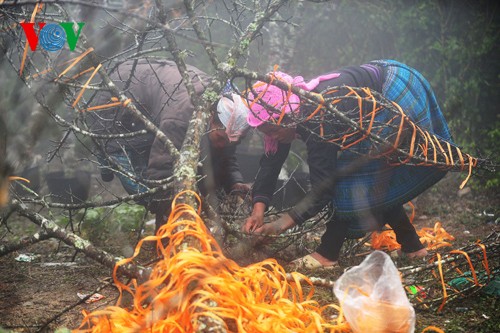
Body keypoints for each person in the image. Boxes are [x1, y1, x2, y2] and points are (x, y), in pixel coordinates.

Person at [242, 60, 457, 268]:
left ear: (287, 117)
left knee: (354, 175)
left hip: (395, 90)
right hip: (380, 83)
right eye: (266, 133)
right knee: (371, 177)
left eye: (273, 131)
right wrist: (258, 210)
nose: (272, 137)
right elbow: (272, 162)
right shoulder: (289, 113)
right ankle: (413, 247)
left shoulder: (320, 118)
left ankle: (328, 253)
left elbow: (323, 189)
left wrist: (279, 226)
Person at [87, 59, 251, 231]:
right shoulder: (181, 118)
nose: (224, 144)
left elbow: (225, 152)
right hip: (116, 106)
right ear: (211, 118)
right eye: (221, 139)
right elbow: (161, 174)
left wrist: (234, 181)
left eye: (232, 141)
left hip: (154, 99)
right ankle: (106, 156)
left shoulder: (232, 112)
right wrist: (184, 214)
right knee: (146, 191)